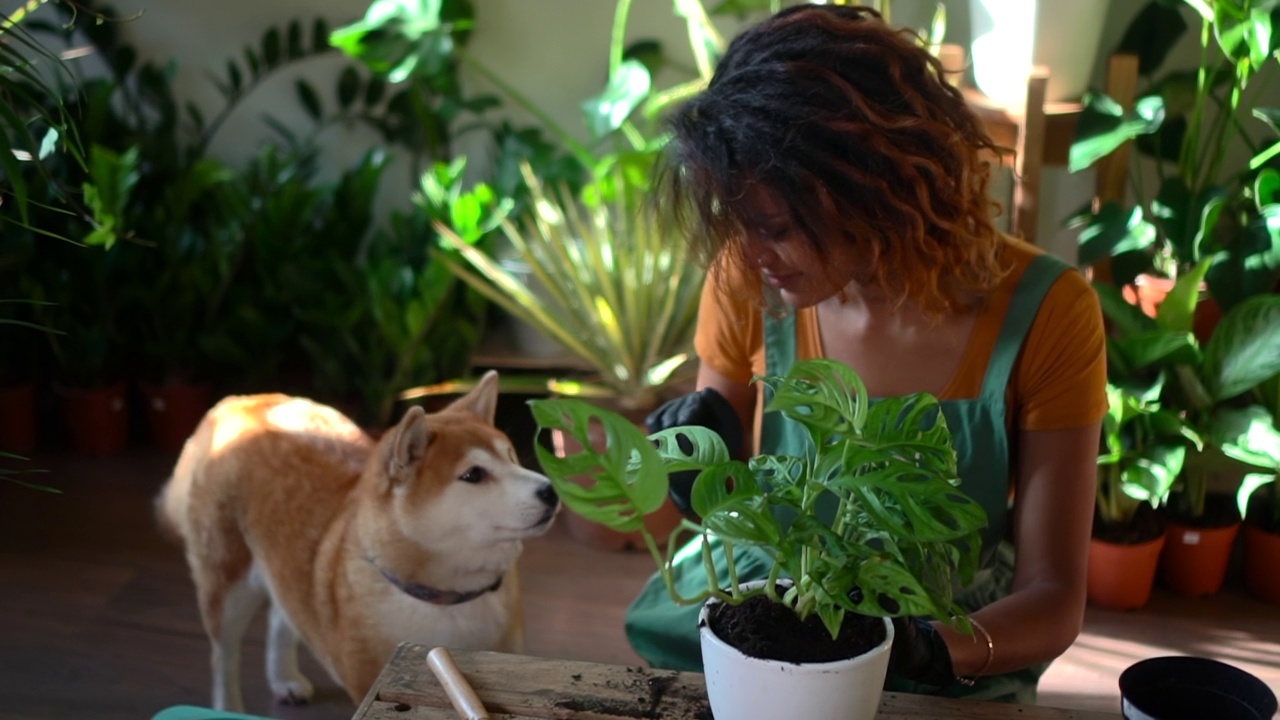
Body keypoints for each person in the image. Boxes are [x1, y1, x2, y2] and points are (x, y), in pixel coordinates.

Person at [624, 3, 1107, 705]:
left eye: (779, 227)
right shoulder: (748, 278)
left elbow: (1054, 596)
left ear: (874, 186)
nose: (755, 255)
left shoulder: (1050, 314)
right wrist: (687, 466)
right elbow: (716, 524)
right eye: (740, 225)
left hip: (952, 635)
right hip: (774, 613)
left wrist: (929, 647)